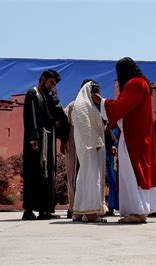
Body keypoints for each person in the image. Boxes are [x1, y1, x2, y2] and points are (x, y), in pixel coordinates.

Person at [92, 57, 156, 223]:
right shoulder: (142, 84)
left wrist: (101, 102)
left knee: (133, 173)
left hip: (133, 138)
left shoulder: (135, 84)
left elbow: (120, 107)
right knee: (131, 173)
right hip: (134, 135)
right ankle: (136, 210)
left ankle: (138, 212)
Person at [22, 70, 69, 220]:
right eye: (51, 83)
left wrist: (55, 98)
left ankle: (45, 210)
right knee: (33, 174)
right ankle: (28, 210)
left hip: (48, 141)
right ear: (43, 79)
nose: (52, 86)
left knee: (47, 174)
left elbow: (57, 117)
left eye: (54, 84)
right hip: (36, 142)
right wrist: (33, 138)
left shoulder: (48, 97)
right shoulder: (32, 94)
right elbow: (31, 118)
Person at [71, 80, 107, 223]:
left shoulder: (79, 105)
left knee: (84, 177)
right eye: (95, 91)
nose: (98, 94)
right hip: (91, 147)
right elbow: (86, 129)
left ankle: (79, 212)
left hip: (86, 148)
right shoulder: (85, 106)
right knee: (93, 178)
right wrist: (95, 143)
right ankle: (91, 213)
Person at [64, 101, 79, 219]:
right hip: (72, 144)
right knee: (72, 175)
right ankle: (73, 207)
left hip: (84, 145)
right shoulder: (72, 106)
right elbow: (63, 123)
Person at [105, 127, 119, 215]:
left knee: (115, 180)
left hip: (116, 151)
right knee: (111, 181)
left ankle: (116, 204)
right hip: (109, 152)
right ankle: (111, 205)